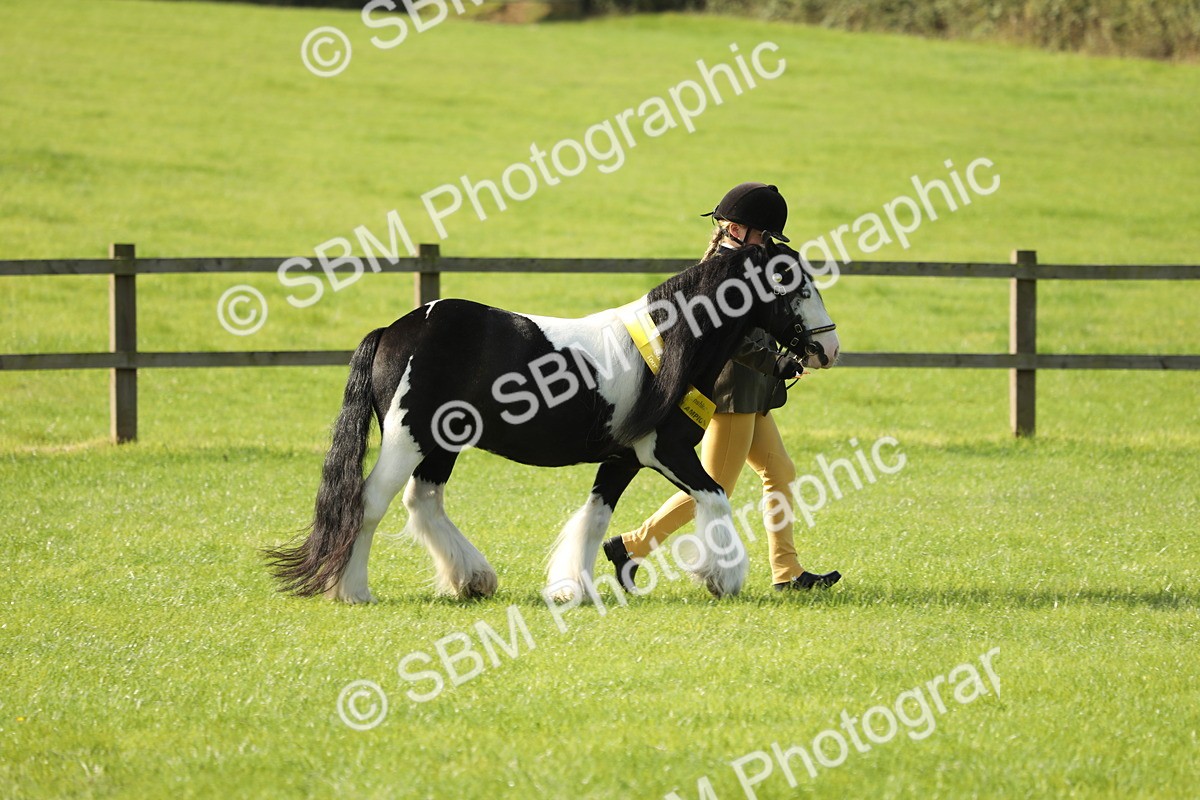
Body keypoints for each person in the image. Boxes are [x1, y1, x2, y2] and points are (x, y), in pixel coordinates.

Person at [602, 182, 842, 592]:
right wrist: (777, 362)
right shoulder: (722, 272)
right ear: (735, 229)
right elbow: (734, 337)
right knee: (715, 486)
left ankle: (787, 572)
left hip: (754, 391)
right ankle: (633, 545)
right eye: (763, 234)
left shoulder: (753, 263)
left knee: (779, 470)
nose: (767, 243)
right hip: (732, 393)